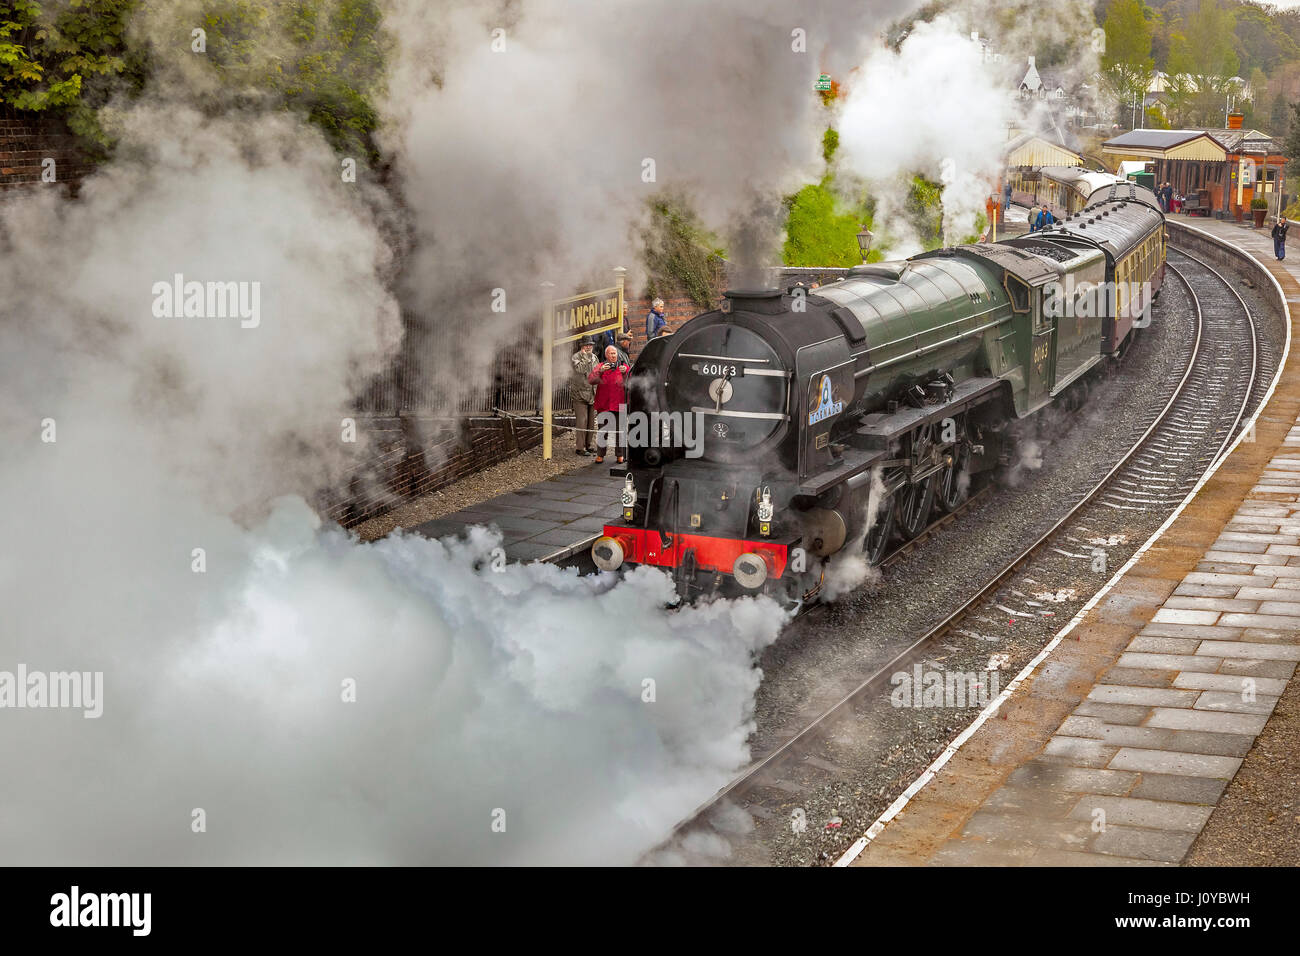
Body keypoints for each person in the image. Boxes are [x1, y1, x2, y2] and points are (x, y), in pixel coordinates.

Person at [587, 345, 631, 463]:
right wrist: (600, 372)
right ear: (606, 355)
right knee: (602, 431)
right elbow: (591, 380)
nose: (613, 355)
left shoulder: (624, 367)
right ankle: (600, 455)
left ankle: (620, 455)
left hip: (619, 404)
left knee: (620, 431)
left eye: (614, 353)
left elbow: (632, 382)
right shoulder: (600, 366)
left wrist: (626, 373)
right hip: (604, 404)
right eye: (611, 353)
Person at [569, 338, 599, 455]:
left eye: (590, 345)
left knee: (591, 422)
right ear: (581, 346)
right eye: (586, 345)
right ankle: (580, 448)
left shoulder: (595, 358)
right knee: (582, 421)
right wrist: (586, 357)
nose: (588, 347)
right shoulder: (575, 357)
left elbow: (596, 373)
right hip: (580, 394)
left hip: (592, 393)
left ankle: (589, 445)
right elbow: (580, 369)